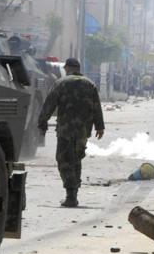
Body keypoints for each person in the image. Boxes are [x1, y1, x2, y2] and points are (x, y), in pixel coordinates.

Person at [37, 57, 105, 208]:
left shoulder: (61, 83)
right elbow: (96, 107)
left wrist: (42, 122)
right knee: (76, 160)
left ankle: (71, 195)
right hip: (83, 130)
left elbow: (49, 104)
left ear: (67, 68)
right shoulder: (90, 84)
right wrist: (100, 127)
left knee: (64, 160)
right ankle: (73, 194)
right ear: (79, 68)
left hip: (65, 129)